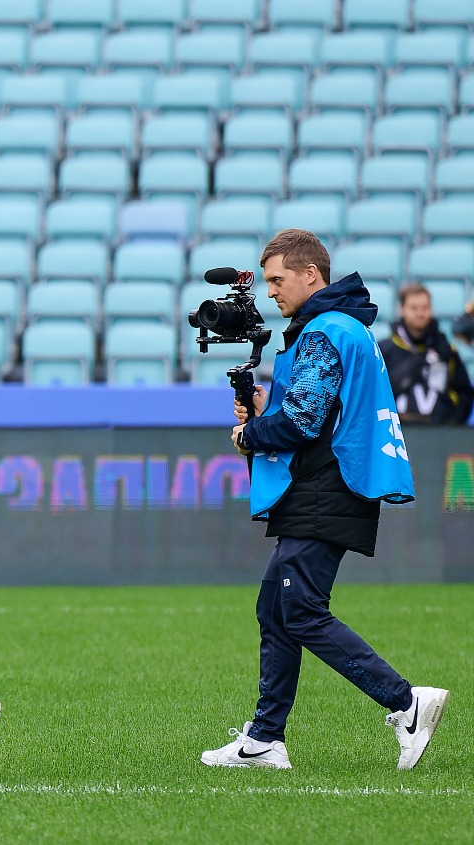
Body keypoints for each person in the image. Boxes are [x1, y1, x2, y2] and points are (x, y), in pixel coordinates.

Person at [203, 229, 448, 772]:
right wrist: (266, 408)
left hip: (327, 485)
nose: (270, 292)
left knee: (301, 609)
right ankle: (265, 739)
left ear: (310, 274)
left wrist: (251, 433)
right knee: (276, 605)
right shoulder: (343, 325)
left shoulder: (325, 329)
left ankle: (406, 702)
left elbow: (301, 422)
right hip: (331, 481)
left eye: (277, 280)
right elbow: (318, 408)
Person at [379, 284, 474, 425]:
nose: (420, 313)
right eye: (414, 308)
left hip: (440, 434)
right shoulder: (383, 350)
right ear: (401, 309)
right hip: (394, 433)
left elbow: (464, 394)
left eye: (425, 308)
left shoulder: (447, 351)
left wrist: (451, 425)